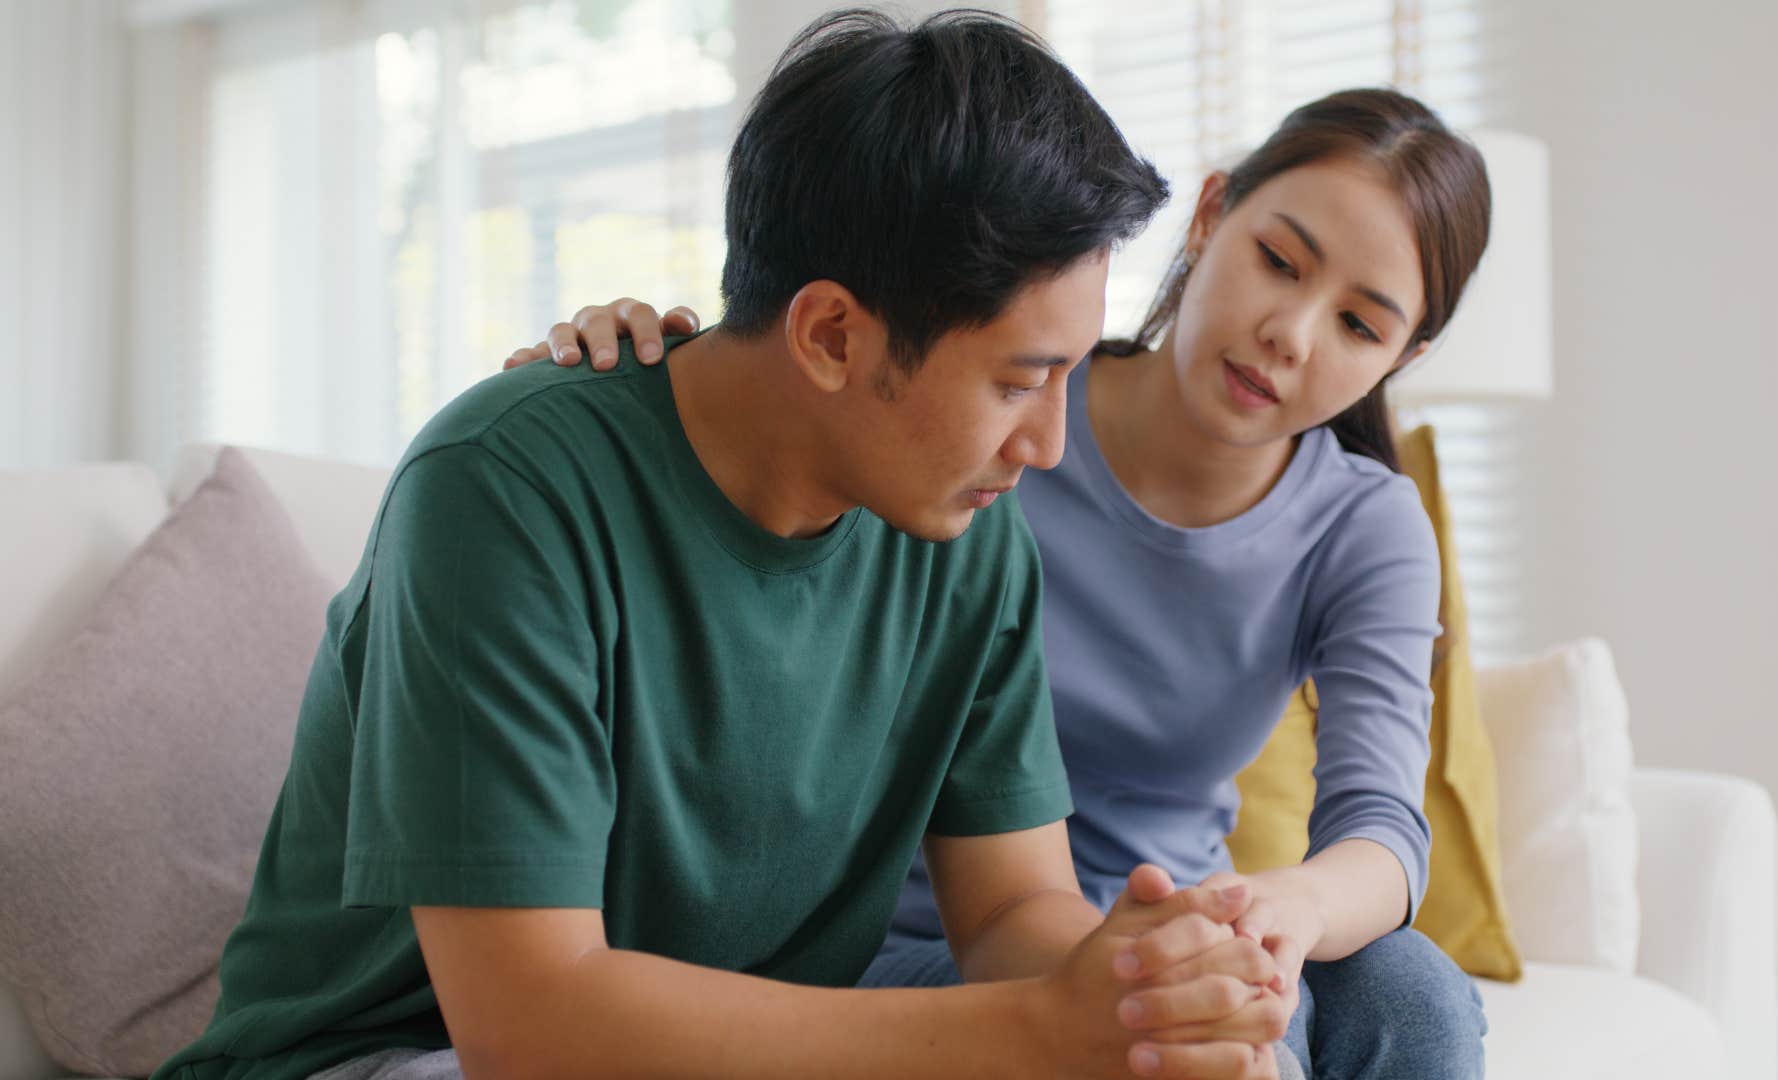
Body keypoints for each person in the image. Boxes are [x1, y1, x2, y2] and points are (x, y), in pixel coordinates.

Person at [151, 10, 1299, 1080]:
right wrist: (1033, 1028)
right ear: (833, 335)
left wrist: (1144, 981)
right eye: (1019, 381)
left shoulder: (965, 531)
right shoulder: (503, 490)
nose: (1048, 445)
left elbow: (1007, 913)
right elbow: (527, 1025)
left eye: (1069, 377)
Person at [508, 86, 1496, 1079]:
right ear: (1209, 215)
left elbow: (1381, 827)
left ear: (1402, 358)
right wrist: (640, 365)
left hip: (1154, 931)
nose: (1291, 332)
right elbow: (786, 401)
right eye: (1278, 261)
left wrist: (1281, 911)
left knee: (1408, 992)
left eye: (1360, 327)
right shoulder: (966, 428)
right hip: (920, 946)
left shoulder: (1362, 525)